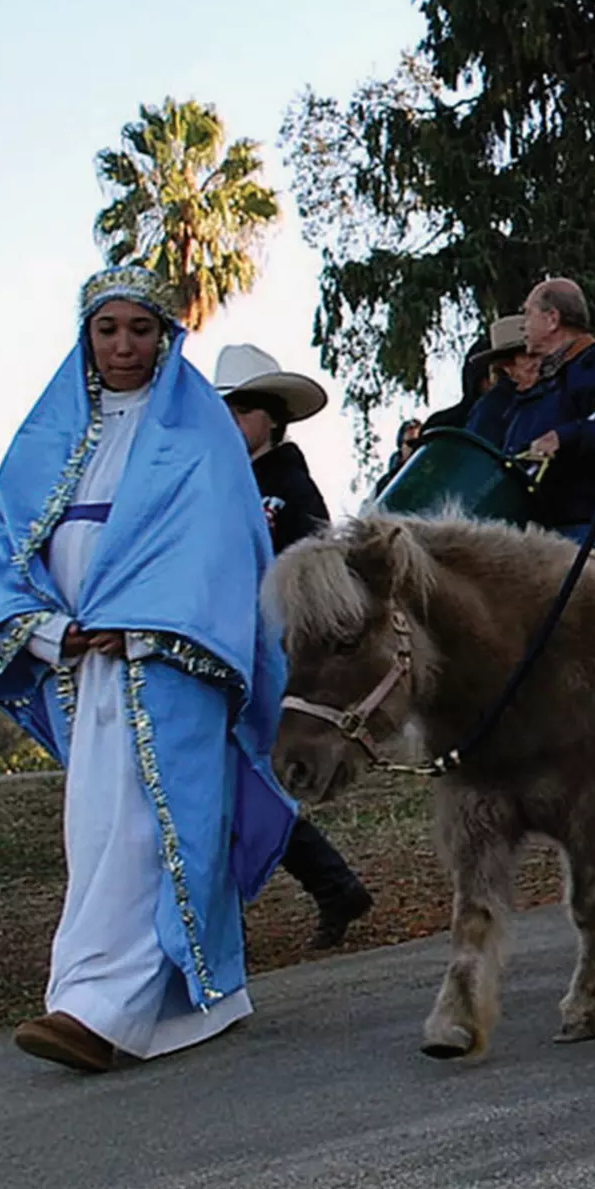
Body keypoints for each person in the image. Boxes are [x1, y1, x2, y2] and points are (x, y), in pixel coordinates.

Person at [0, 269, 294, 1073]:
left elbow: (224, 552)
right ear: (86, 335)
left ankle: (97, 1008)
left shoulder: (201, 439)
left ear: (166, 336)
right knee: (96, 830)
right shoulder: (45, 439)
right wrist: (51, 629)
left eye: (140, 329)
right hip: (81, 667)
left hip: (167, 662)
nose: (123, 346)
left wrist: (148, 623)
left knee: (149, 825)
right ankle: (188, 999)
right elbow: (7, 551)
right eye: (107, 329)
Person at [213, 344, 375, 950]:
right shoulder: (224, 482)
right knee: (235, 776)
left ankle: (322, 888)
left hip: (268, 648)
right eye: (225, 410)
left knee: (247, 774)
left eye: (243, 409)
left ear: (271, 417)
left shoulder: (289, 485)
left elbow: (314, 562)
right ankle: (332, 886)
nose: (232, 422)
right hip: (227, 643)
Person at [502, 280, 595, 546]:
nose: (523, 325)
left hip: (585, 530)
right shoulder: (547, 378)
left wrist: (564, 438)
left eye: (528, 313)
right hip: (543, 532)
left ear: (553, 319)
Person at [461, 314, 533, 445]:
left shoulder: (557, 391)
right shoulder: (492, 407)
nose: (535, 362)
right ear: (506, 365)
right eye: (527, 355)